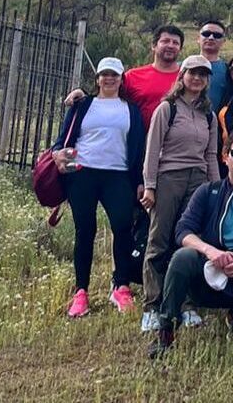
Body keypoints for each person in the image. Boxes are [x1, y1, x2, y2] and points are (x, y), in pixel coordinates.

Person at [147, 131, 233, 359]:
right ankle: (166, 330)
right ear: (225, 157)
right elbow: (183, 231)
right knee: (183, 257)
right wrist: (211, 252)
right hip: (208, 270)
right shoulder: (207, 192)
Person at [54, 57, 146, 318]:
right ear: (97, 79)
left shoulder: (131, 110)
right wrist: (58, 154)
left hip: (117, 176)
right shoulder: (83, 105)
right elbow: (64, 138)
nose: (109, 79)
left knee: (122, 228)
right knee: (85, 231)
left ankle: (121, 286)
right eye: (104, 74)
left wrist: (138, 180)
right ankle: (81, 292)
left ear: (121, 79)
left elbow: (137, 149)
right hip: (82, 174)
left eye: (114, 75)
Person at [139, 55, 220, 332]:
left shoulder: (208, 114)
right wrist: (150, 185)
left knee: (190, 242)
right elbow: (152, 149)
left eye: (203, 74)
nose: (197, 78)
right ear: (182, 75)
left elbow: (210, 155)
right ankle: (152, 305)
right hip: (168, 177)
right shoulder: (167, 108)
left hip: (197, 180)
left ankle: (186, 304)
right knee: (159, 241)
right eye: (192, 73)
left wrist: (217, 190)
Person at [67, 25, 184, 130]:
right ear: (154, 45)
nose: (170, 45)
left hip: (175, 146)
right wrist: (82, 94)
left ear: (180, 49)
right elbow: (106, 97)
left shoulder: (186, 78)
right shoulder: (133, 76)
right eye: (165, 41)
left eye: (175, 43)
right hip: (137, 142)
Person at [197, 20, 230, 111]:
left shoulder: (230, 71)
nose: (211, 38)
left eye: (217, 35)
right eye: (206, 34)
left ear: (223, 41)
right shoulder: (183, 66)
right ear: (198, 38)